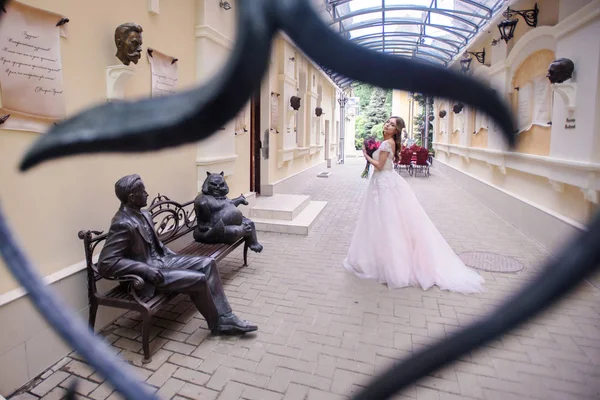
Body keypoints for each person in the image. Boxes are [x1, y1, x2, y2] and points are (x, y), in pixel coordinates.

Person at [98, 174, 257, 334]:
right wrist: (144, 270)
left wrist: (176, 258)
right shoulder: (122, 223)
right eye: (143, 191)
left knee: (207, 263)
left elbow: (157, 244)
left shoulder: (144, 214)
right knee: (199, 279)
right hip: (149, 275)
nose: (147, 194)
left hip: (164, 260)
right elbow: (106, 263)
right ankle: (218, 324)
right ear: (132, 198)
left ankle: (227, 316)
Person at [342, 117, 484, 293]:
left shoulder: (387, 144)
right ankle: (382, 258)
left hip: (383, 183)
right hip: (383, 183)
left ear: (396, 131)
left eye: (392, 125)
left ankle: (393, 264)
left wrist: (365, 155)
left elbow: (379, 166)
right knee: (382, 222)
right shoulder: (387, 142)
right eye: (387, 122)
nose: (388, 125)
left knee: (387, 223)